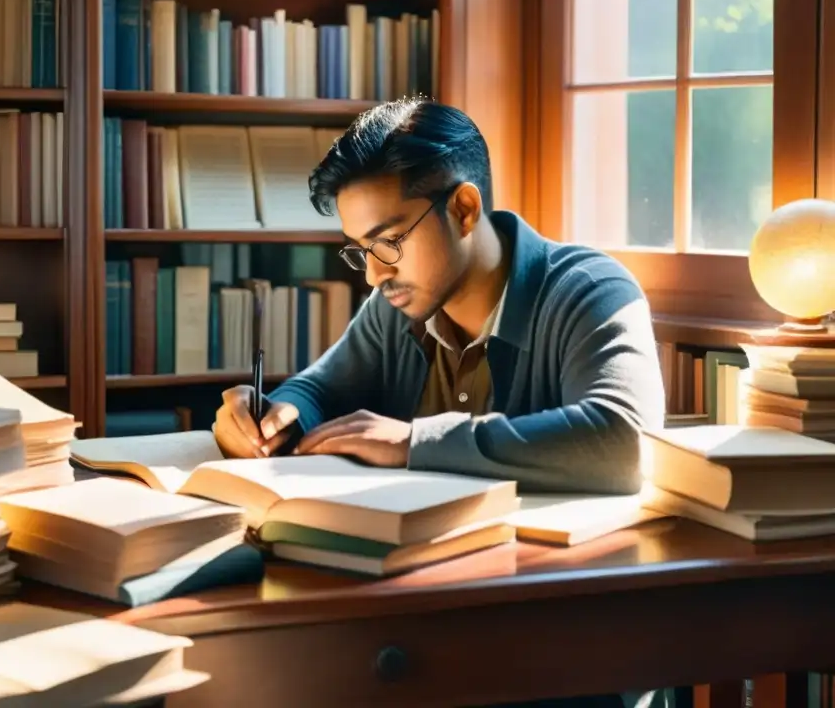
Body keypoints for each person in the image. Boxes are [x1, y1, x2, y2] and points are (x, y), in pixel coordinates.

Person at [212, 96, 665, 495]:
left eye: (389, 241)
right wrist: (275, 418)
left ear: (463, 209)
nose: (373, 275)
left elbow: (628, 441)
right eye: (360, 251)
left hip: (545, 578)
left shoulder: (590, 292)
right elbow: (319, 390)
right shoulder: (394, 309)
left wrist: (414, 443)